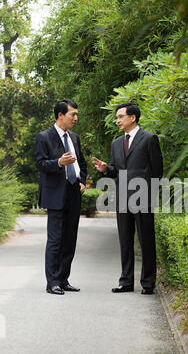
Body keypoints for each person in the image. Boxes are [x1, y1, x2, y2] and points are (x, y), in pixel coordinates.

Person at [93, 102, 163, 295]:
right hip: (122, 198)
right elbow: (116, 170)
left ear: (133, 117)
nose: (117, 121)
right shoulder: (116, 143)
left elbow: (157, 170)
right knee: (125, 241)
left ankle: (148, 283)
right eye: (117, 117)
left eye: (121, 116)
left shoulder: (149, 139)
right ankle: (126, 282)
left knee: (146, 240)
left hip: (143, 198)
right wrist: (106, 169)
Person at [35, 99, 87, 295]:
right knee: (56, 240)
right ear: (60, 115)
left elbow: (82, 163)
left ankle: (64, 279)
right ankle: (52, 282)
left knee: (70, 239)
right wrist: (58, 162)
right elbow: (40, 164)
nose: (76, 118)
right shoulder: (44, 137)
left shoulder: (74, 138)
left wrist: (82, 181)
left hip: (74, 192)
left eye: (76, 114)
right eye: (72, 114)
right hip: (55, 195)